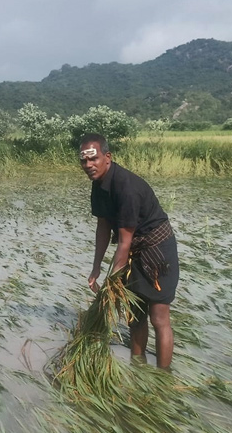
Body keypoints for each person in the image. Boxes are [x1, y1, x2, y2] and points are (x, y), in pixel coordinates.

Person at [79, 133, 180, 369]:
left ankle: (163, 378)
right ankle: (138, 370)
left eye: (93, 159)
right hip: (134, 251)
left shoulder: (127, 187)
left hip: (157, 251)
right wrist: (96, 267)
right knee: (135, 317)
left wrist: (111, 283)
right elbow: (103, 226)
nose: (88, 166)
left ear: (108, 157)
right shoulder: (98, 186)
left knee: (159, 317)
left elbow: (123, 242)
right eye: (84, 161)